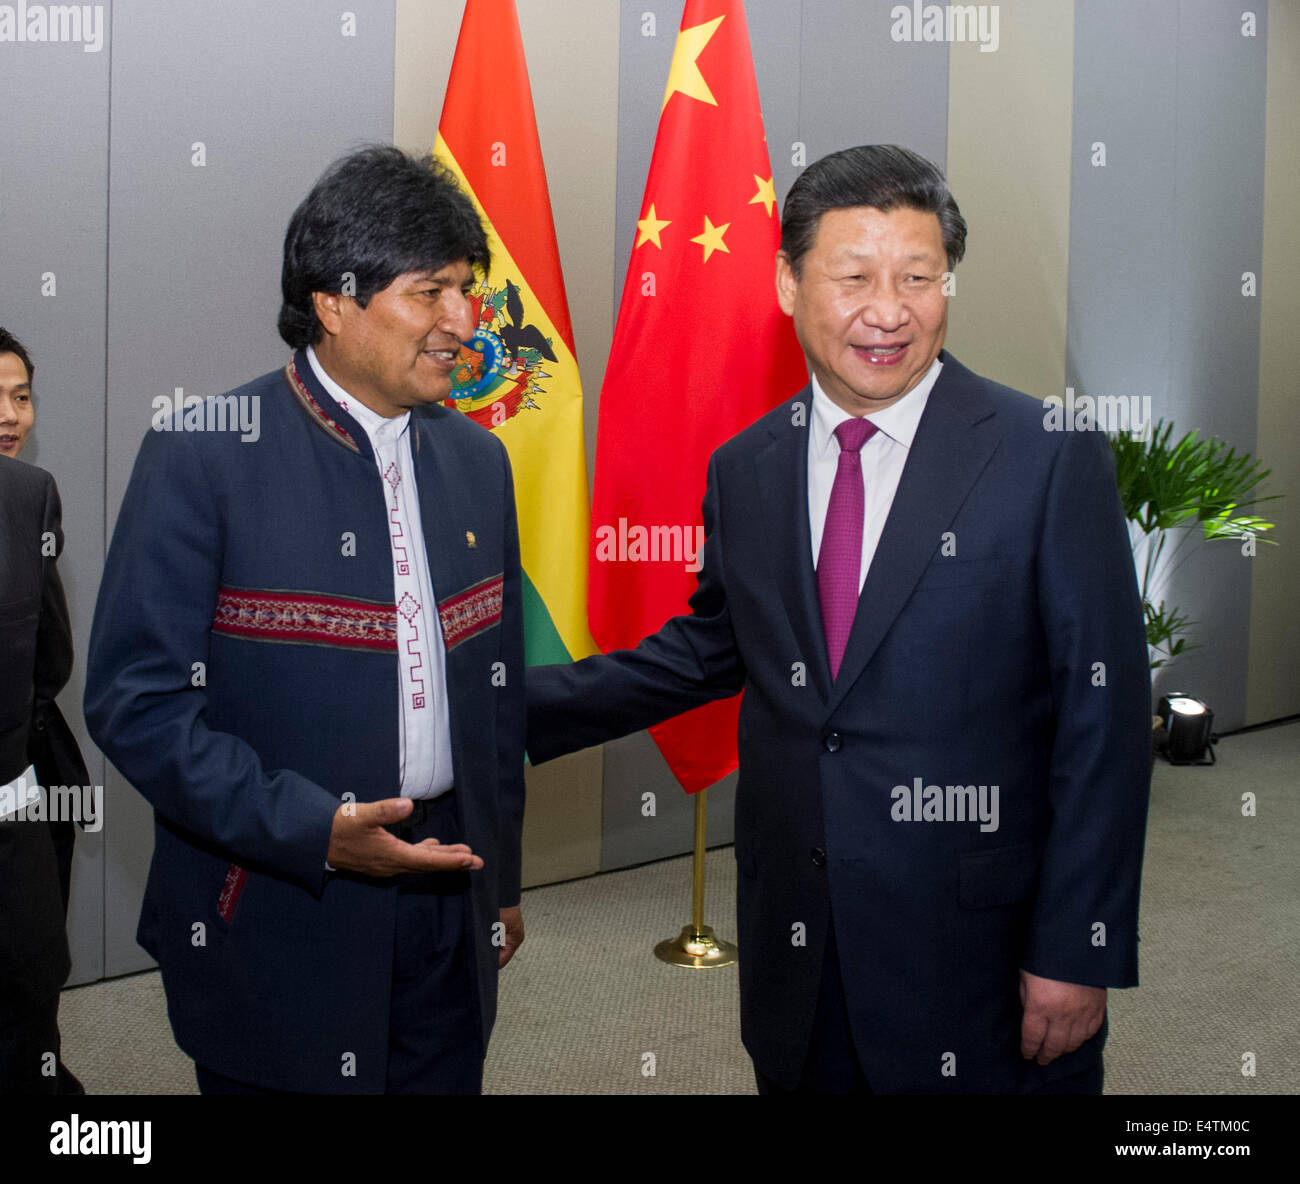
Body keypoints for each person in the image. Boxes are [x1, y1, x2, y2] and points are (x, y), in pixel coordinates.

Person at [527, 145, 1151, 1094]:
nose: (888, 311)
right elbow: (709, 651)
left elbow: (1103, 723)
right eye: (854, 277)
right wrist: (499, 707)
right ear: (786, 283)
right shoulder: (748, 468)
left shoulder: (1045, 457)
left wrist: (1079, 944)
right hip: (798, 948)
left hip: (978, 952)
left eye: (919, 277)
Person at [84, 146, 526, 1095]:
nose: (464, 323)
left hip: (450, 902)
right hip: (278, 905)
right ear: (334, 302)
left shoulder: (479, 466)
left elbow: (496, 698)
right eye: (431, 293)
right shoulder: (202, 457)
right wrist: (313, 826)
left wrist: (506, 882)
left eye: (466, 290)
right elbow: (137, 705)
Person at [0, 328, 84, 1094]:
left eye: (21, 397)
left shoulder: (31, 496)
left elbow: (49, 659)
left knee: (31, 980)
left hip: (20, 783)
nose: (10, 416)